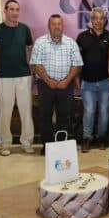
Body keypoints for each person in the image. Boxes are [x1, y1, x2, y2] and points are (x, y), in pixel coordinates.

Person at [30, 15, 83, 152]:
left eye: (59, 24)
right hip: (45, 85)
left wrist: (66, 81)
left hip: (65, 86)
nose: (57, 26)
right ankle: (47, 146)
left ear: (63, 26)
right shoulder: (40, 42)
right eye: (54, 24)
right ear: (49, 26)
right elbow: (36, 64)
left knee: (64, 116)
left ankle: (61, 146)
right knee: (45, 115)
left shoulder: (71, 43)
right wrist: (48, 80)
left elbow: (77, 64)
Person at [0, 0, 35, 156]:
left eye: (17, 9)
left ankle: (27, 142)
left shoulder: (25, 29)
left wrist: (31, 69)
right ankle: (5, 143)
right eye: (12, 9)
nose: (15, 12)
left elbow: (29, 49)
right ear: (5, 11)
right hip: (4, 76)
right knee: (4, 110)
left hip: (24, 75)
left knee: (26, 110)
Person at [76, 7, 109, 152]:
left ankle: (101, 138)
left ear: (105, 21)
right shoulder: (81, 37)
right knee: (89, 111)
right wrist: (76, 78)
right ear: (91, 20)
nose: (98, 21)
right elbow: (77, 60)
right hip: (87, 82)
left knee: (104, 111)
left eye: (101, 18)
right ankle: (87, 138)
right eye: (95, 18)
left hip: (106, 81)